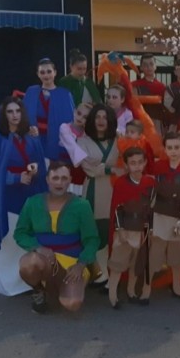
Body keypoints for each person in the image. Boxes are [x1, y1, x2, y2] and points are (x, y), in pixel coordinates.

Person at [0, 96, 47, 296]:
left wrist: (34, 169)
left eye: (17, 111)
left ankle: (28, 281)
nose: (14, 115)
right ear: (4, 115)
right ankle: (9, 283)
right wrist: (16, 177)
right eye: (10, 111)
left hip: (30, 195)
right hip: (7, 198)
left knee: (27, 239)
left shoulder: (31, 137)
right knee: (10, 241)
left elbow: (40, 164)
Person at [14, 161, 99, 314]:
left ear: (70, 180)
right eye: (55, 178)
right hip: (45, 260)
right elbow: (20, 233)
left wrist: (81, 264)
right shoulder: (32, 202)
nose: (59, 183)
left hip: (72, 262)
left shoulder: (82, 205)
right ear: (47, 180)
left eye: (64, 178)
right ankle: (39, 290)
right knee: (28, 263)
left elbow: (92, 240)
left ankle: (58, 288)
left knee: (72, 304)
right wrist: (38, 248)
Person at [149, 132, 180, 300]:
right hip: (158, 217)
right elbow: (150, 194)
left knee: (177, 256)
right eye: (169, 147)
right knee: (154, 254)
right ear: (164, 149)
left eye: (177, 147)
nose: (173, 151)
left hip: (178, 219)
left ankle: (177, 286)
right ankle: (145, 287)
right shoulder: (156, 168)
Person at [76, 103, 122, 285]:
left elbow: (125, 164)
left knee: (114, 229)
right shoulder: (82, 141)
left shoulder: (119, 139)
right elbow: (88, 168)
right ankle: (99, 272)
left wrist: (104, 168)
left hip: (115, 190)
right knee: (96, 230)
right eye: (97, 117)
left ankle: (113, 272)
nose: (101, 121)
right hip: (94, 189)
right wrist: (111, 169)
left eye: (105, 117)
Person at [108, 147, 155, 308]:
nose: (137, 166)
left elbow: (153, 208)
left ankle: (131, 291)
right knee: (118, 263)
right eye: (133, 163)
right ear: (126, 165)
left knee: (137, 263)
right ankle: (113, 296)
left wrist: (151, 230)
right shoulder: (121, 183)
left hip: (143, 230)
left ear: (145, 163)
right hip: (126, 229)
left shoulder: (150, 182)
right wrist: (120, 230)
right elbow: (117, 208)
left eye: (140, 162)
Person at [23, 57, 76, 161]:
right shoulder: (31, 92)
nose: (46, 75)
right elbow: (23, 116)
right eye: (42, 72)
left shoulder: (65, 94)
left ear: (55, 72)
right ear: (38, 74)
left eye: (49, 71)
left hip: (56, 141)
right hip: (35, 141)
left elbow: (71, 122)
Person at [57, 102, 93, 195]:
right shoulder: (64, 128)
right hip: (64, 168)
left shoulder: (87, 134)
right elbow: (72, 145)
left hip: (80, 172)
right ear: (74, 111)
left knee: (79, 194)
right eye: (79, 113)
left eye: (85, 117)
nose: (80, 118)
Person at [132, 54, 166, 133]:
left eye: (151, 64)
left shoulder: (162, 87)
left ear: (155, 66)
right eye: (145, 65)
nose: (149, 67)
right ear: (141, 67)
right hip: (140, 122)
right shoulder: (135, 85)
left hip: (157, 122)